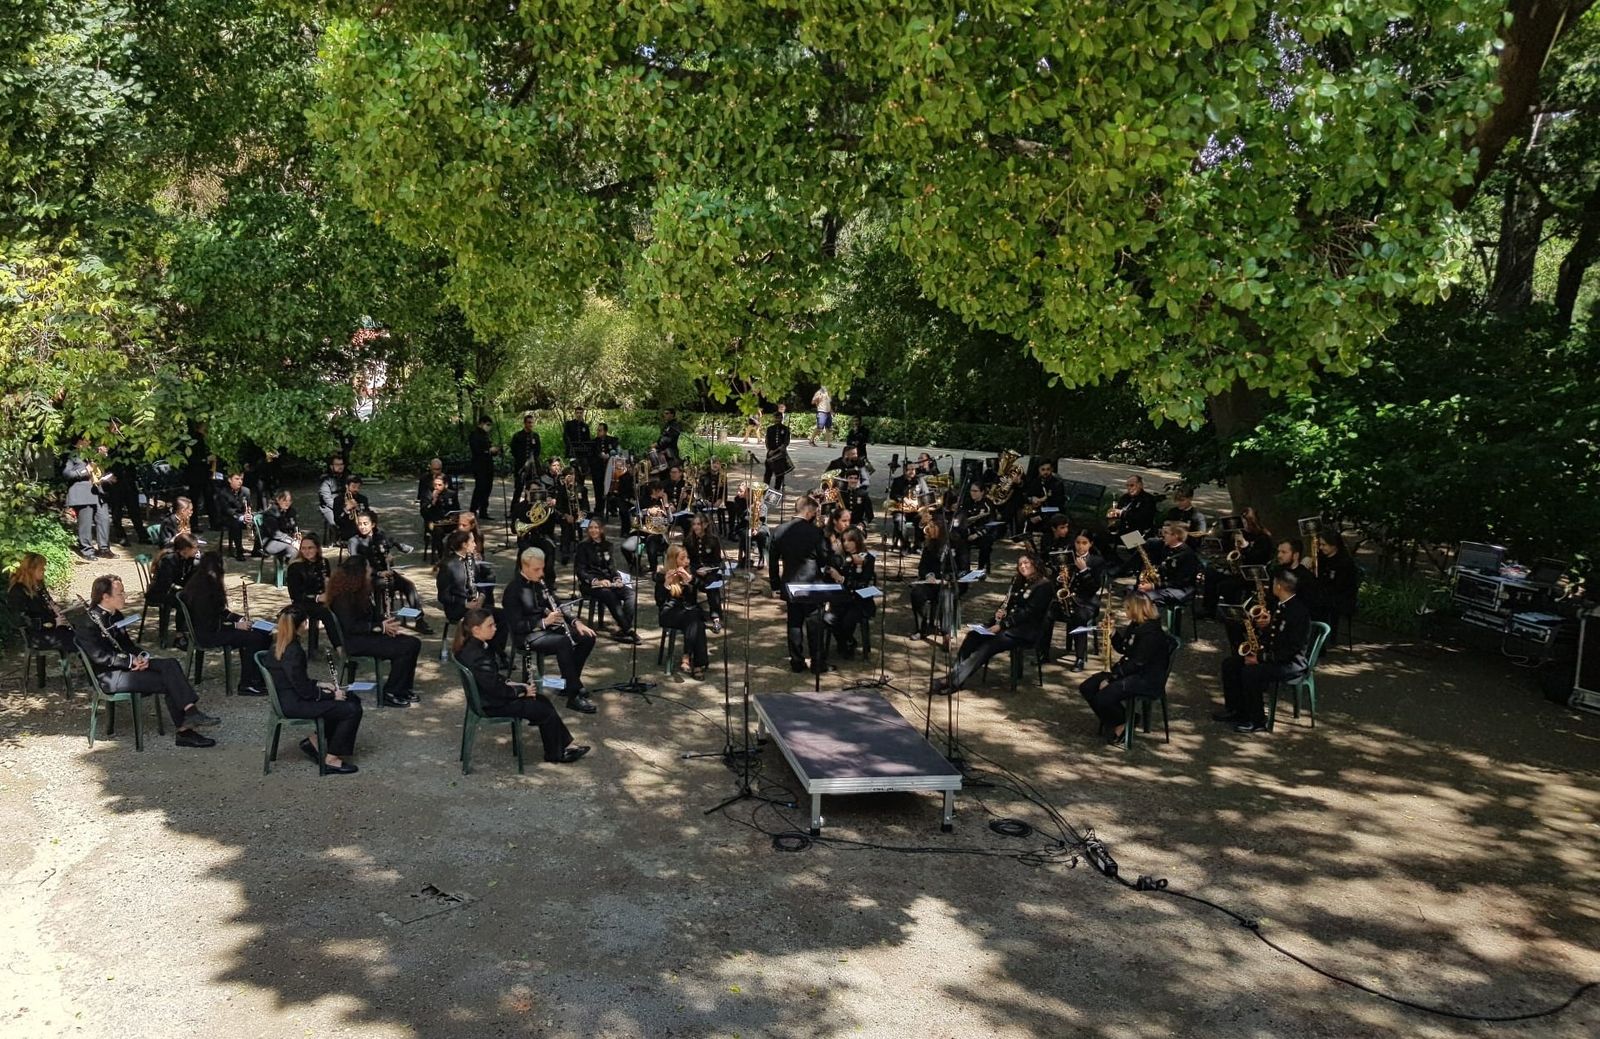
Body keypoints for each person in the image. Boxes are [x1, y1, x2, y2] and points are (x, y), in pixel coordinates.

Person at [76, 574, 220, 747]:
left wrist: (142, 657)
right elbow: (99, 656)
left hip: (127, 666)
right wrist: (130, 662)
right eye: (120, 593)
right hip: (109, 676)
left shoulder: (116, 615)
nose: (124, 596)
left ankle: (191, 712)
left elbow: (127, 645)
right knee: (167, 681)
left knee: (170, 664)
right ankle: (185, 730)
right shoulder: (88, 622)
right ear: (105, 597)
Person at [454, 608, 589, 764]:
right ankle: (556, 753)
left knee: (541, 700)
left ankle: (563, 746)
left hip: (486, 698)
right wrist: (521, 690)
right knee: (542, 708)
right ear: (476, 630)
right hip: (491, 704)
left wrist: (511, 682)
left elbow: (489, 678)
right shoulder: (478, 655)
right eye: (490, 626)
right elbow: (494, 688)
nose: (495, 628)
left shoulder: (472, 647)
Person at [930, 552, 1054, 694]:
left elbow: (1028, 613)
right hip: (1008, 626)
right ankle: (956, 677)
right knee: (972, 636)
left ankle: (952, 681)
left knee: (988, 646)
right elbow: (1009, 603)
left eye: (1026, 563)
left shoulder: (1044, 585)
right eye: (1020, 564)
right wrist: (999, 614)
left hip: (1025, 632)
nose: (1022, 566)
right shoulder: (1019, 581)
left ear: (1035, 564)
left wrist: (1001, 625)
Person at [262, 607, 362, 773]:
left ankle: (314, 741)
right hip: (294, 704)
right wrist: (330, 695)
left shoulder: (278, 645)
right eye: (305, 622)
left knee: (350, 698)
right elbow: (304, 690)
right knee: (351, 708)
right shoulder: (294, 651)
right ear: (301, 625)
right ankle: (331, 759)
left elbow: (295, 680)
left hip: (288, 698)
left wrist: (320, 684)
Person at [501, 547, 598, 713]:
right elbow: (517, 625)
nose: (541, 573)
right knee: (563, 642)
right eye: (536, 569)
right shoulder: (513, 590)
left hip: (546, 630)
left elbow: (558, 604)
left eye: (542, 568)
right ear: (524, 566)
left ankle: (569, 682)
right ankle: (574, 695)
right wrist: (544, 622)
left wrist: (575, 622)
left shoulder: (539, 583)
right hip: (526, 636)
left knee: (587, 637)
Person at [1217, 570, 1313, 733]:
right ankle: (1236, 710)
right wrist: (1263, 628)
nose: (1271, 587)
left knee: (1250, 672)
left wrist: (1261, 658)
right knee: (1230, 664)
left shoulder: (1298, 612)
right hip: (1275, 656)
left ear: (1279, 586)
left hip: (1290, 663)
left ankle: (1257, 720)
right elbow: (1276, 635)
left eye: (1273, 583)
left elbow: (1292, 648)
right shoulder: (1280, 605)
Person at [327, 557, 422, 708]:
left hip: (366, 636)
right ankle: (391, 692)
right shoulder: (342, 597)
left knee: (413, 643)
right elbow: (351, 626)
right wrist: (379, 627)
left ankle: (404, 688)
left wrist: (386, 622)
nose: (370, 571)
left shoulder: (359, 591)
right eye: (367, 568)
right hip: (355, 642)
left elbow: (371, 615)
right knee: (405, 647)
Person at [176, 550, 272, 696]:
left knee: (263, 634)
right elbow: (209, 623)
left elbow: (220, 612)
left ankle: (258, 678)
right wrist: (236, 626)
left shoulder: (203, 582)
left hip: (211, 629)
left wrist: (239, 619)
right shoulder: (204, 591)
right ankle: (248, 683)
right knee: (255, 638)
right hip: (208, 634)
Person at [1078, 594, 1170, 743]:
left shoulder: (1151, 633)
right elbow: (1124, 648)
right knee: (1087, 687)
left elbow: (1137, 663)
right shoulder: (1136, 625)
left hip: (1145, 678)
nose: (1125, 611)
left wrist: (1111, 679)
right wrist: (1113, 633)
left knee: (1103, 697)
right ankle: (1120, 720)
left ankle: (1123, 724)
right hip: (1130, 672)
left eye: (1127, 608)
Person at [769, 495, 827, 672]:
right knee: (814, 625)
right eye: (814, 512)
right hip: (811, 583)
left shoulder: (779, 530)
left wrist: (775, 585)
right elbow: (824, 558)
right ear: (808, 511)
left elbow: (772, 561)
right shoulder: (815, 532)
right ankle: (817, 663)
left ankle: (796, 662)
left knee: (794, 623)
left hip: (790, 582)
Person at [348, 510, 431, 633]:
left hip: (386, 572)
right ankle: (381, 618)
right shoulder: (354, 541)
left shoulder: (380, 535)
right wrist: (377, 573)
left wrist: (389, 559)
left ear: (373, 524)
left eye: (365, 524)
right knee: (381, 585)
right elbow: (355, 565)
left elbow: (386, 551)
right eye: (360, 524)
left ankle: (418, 619)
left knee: (409, 586)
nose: (362, 527)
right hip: (368, 577)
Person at [807, 527, 876, 663]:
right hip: (841, 600)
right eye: (844, 541)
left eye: (850, 541)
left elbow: (863, 584)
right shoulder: (840, 558)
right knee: (828, 618)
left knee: (847, 620)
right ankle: (846, 641)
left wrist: (842, 578)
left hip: (860, 602)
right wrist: (828, 571)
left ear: (857, 541)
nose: (846, 544)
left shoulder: (868, 558)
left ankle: (846, 642)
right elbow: (828, 579)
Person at [438, 529, 507, 658]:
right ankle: (493, 655)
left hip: (476, 604)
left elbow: (479, 582)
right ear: (464, 545)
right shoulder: (448, 565)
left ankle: (494, 652)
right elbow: (443, 596)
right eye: (472, 542)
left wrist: (482, 597)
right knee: (485, 620)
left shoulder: (470, 560)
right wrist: (465, 603)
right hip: (458, 608)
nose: (475, 545)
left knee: (503, 616)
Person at [574, 520, 641, 642]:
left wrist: (617, 579)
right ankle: (628, 629)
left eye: (596, 527)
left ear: (601, 529)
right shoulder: (582, 546)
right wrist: (596, 581)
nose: (593, 530)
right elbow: (580, 571)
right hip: (590, 584)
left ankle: (623, 628)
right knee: (609, 595)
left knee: (631, 594)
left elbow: (612, 567)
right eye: (591, 527)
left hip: (609, 582)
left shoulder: (608, 545)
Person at [7, 551, 75, 662]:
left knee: (81, 634)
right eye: (41, 569)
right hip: (36, 635)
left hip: (50, 630)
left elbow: (46, 607)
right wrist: (53, 622)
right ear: (31, 570)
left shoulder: (38, 585)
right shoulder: (18, 591)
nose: (44, 571)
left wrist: (54, 609)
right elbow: (20, 619)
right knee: (75, 640)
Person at [656, 544, 710, 677]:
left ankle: (690, 659)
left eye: (687, 558)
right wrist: (666, 584)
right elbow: (659, 601)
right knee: (696, 618)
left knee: (696, 621)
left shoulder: (690, 572)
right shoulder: (662, 574)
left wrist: (691, 580)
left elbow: (706, 588)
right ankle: (695, 662)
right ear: (673, 560)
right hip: (670, 613)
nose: (687, 561)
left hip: (689, 613)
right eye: (682, 558)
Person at [64, 433, 114, 561]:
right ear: (79, 441)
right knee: (85, 524)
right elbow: (66, 474)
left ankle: (104, 549)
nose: (90, 442)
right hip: (82, 494)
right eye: (87, 440)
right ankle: (87, 550)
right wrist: (85, 471)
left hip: (98, 492)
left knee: (104, 519)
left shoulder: (91, 454)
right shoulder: (72, 454)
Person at [1060, 532, 1105, 671]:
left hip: (1087, 602)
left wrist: (1084, 570)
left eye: (1084, 543)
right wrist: (1060, 577)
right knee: (1047, 612)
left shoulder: (1097, 561)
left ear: (1090, 544)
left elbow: (1094, 587)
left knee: (1079, 617)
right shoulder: (1068, 558)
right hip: (1067, 600)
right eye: (1078, 543)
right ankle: (1042, 652)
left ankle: (1079, 658)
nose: (1080, 546)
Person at [147, 533, 200, 647]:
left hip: (175, 592)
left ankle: (189, 631)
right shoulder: (169, 560)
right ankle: (179, 636)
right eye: (195, 548)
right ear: (185, 549)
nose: (197, 550)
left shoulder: (190, 559)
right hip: (160, 592)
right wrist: (182, 590)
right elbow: (166, 583)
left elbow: (188, 578)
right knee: (183, 602)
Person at [285, 533, 335, 654]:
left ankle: (346, 643)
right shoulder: (295, 566)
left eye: (310, 548)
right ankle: (339, 649)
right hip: (303, 602)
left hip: (322, 599)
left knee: (341, 609)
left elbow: (327, 583)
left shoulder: (324, 562)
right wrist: (317, 598)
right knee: (325, 613)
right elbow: (295, 595)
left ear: (317, 548)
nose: (306, 551)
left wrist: (328, 590)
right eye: (303, 548)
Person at [1137, 522, 1201, 608]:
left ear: (1175, 536)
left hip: (1180, 589)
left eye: (1166, 533)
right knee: (1133, 591)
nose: (1163, 535)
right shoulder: (1166, 548)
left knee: (1145, 597)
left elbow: (1180, 582)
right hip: (1164, 586)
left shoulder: (1187, 555)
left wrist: (1153, 586)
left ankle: (1149, 615)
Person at [907, 513, 950, 638]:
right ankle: (921, 628)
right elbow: (922, 567)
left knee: (946, 595)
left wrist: (947, 578)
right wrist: (928, 576)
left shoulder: (951, 544)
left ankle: (946, 630)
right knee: (916, 593)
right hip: (930, 582)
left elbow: (959, 567)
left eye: (932, 527)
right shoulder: (928, 545)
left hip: (946, 583)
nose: (929, 529)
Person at [1314, 531, 1360, 646]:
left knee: (1321, 604)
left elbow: (1341, 586)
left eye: (1324, 545)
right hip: (1326, 593)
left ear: (1334, 545)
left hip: (1341, 597)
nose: (1321, 548)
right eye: (1320, 544)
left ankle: (1326, 638)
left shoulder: (1344, 562)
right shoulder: (1322, 558)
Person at [686, 512, 728, 633]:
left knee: (712, 585)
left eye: (698, 524)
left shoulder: (713, 540)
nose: (696, 527)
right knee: (689, 582)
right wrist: (695, 570)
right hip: (695, 570)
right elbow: (686, 561)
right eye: (694, 524)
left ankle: (716, 617)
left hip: (710, 572)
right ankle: (692, 613)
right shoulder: (688, 541)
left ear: (705, 525)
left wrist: (708, 569)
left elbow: (717, 562)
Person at [183, 421, 214, 534]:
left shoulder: (204, 439)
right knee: (195, 500)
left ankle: (212, 523)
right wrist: (206, 459)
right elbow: (192, 459)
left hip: (203, 474)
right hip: (195, 475)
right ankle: (195, 525)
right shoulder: (195, 439)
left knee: (208, 498)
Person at [467, 415, 500, 519]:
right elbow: (476, 450)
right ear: (481, 423)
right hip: (479, 465)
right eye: (487, 424)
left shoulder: (486, 435)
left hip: (488, 464)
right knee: (480, 487)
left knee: (487, 488)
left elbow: (489, 448)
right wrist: (488, 451)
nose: (488, 427)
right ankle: (473, 510)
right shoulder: (474, 435)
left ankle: (483, 511)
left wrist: (495, 451)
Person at [216, 471, 253, 561]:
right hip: (227, 517)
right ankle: (239, 551)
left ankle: (257, 549)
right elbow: (226, 510)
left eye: (241, 479)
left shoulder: (246, 491)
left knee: (259, 521)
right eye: (237, 479)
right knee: (236, 523)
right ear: (229, 480)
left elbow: (248, 506)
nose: (240, 481)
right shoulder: (223, 492)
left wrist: (249, 515)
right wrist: (241, 517)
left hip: (242, 516)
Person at [260, 488, 301, 566]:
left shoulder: (290, 511)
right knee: (292, 550)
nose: (287, 503)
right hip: (270, 541)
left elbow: (294, 525)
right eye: (285, 500)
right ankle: (291, 570)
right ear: (278, 500)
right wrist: (291, 541)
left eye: (289, 501)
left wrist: (296, 533)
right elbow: (276, 534)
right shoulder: (270, 513)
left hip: (285, 539)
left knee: (305, 547)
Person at [510, 412, 542, 505]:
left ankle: (528, 508)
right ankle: (514, 509)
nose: (531, 424)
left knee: (531, 489)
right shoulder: (517, 436)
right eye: (529, 422)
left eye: (532, 422)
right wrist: (520, 460)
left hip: (532, 467)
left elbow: (537, 451)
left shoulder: (535, 436)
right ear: (525, 423)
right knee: (518, 488)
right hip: (520, 466)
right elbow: (513, 450)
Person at [589, 421, 619, 512]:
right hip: (598, 469)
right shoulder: (593, 442)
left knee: (612, 489)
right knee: (598, 489)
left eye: (600, 430)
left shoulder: (613, 440)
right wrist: (599, 456)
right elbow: (591, 455)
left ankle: (612, 508)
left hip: (610, 469)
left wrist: (609, 455)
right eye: (597, 430)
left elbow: (616, 451)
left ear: (605, 431)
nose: (598, 432)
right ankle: (599, 509)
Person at [316, 455, 349, 533]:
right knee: (336, 524)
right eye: (337, 465)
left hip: (344, 505)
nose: (340, 467)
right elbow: (327, 499)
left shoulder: (346, 478)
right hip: (328, 507)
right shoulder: (325, 479)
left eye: (341, 464)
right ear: (331, 466)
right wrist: (341, 508)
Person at [763, 404, 793, 491]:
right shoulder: (770, 429)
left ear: (781, 418)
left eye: (779, 418)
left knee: (780, 474)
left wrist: (782, 447)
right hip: (771, 453)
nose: (777, 419)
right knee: (768, 473)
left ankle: (777, 490)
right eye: (776, 418)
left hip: (780, 454)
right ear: (774, 418)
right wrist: (769, 450)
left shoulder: (785, 429)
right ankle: (764, 488)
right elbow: (767, 440)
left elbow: (786, 442)